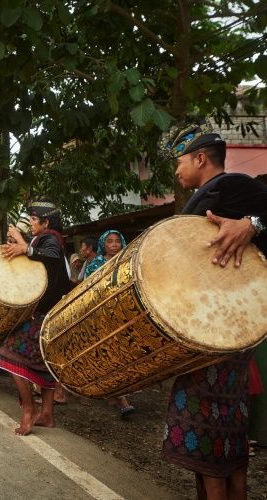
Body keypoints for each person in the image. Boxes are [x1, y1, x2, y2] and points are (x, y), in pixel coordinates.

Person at [159, 123, 267, 499]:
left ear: (200, 158)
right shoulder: (208, 195)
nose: (176, 171)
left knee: (208, 441)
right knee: (225, 441)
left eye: (180, 162)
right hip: (216, 332)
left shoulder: (234, 186)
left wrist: (253, 225)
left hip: (218, 335)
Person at [0, 200, 72, 435]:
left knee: (8, 353)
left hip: (45, 313)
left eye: (33, 220)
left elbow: (49, 255)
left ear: (46, 222)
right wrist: (22, 243)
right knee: (44, 362)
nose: (30, 224)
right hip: (51, 310)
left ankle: (29, 410)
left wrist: (25, 248)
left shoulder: (51, 239)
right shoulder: (44, 238)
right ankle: (47, 414)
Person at [82, 230, 136, 416]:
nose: (114, 244)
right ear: (103, 244)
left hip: (124, 313)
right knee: (109, 352)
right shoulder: (95, 264)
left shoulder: (129, 260)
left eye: (117, 241)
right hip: (102, 314)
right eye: (110, 241)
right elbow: (88, 289)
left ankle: (113, 392)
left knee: (120, 354)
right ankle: (121, 398)